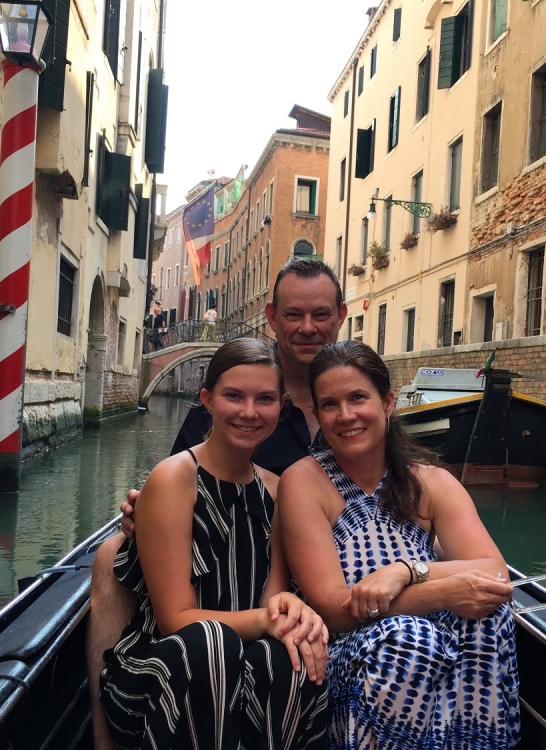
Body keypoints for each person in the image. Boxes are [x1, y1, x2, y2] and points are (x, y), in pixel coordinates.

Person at [88, 258, 347, 749]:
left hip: (288, 606)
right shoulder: (183, 470)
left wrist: (291, 617)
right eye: (294, 314)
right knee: (113, 559)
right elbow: (163, 544)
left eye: (264, 401)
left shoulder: (284, 478)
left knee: (283, 656)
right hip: (188, 647)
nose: (249, 413)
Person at [279, 340, 521, 749]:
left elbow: (496, 573)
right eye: (331, 405)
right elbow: (335, 610)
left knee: (489, 615)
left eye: (358, 398)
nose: (346, 415)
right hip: (345, 665)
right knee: (409, 639)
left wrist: (405, 571)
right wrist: (443, 591)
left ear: (388, 403)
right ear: (318, 414)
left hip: (435, 661)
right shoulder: (304, 481)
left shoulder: (433, 482)